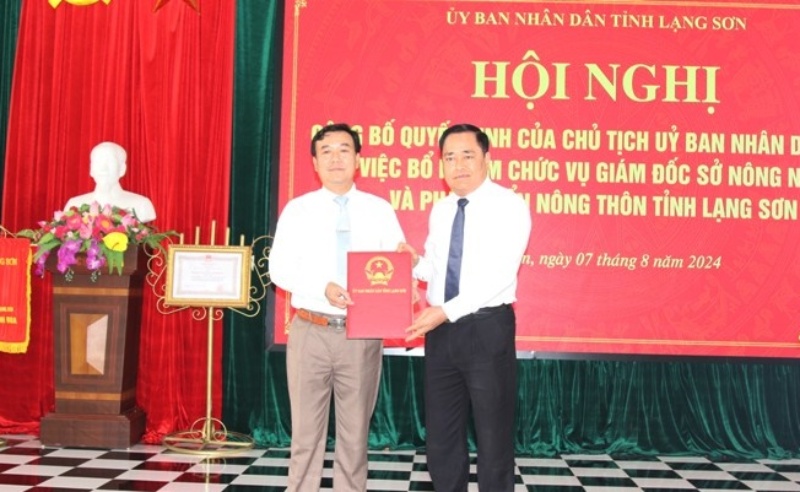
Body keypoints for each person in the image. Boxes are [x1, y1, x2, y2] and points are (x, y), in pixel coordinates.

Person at [269, 123, 406, 492]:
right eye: (326, 151)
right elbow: (279, 269)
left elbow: (397, 262)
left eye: (344, 149)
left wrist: (406, 268)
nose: (335, 158)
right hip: (310, 329)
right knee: (305, 436)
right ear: (314, 162)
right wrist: (322, 288)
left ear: (357, 158)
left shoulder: (379, 210)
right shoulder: (298, 210)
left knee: (355, 437)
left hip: (361, 334)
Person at [401, 123, 531, 491]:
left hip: (486, 329)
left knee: (493, 436)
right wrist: (411, 264)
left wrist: (444, 311)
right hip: (442, 334)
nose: (458, 165)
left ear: (487, 159)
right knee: (442, 434)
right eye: (449, 157)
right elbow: (435, 266)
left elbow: (499, 275)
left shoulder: (509, 205)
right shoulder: (441, 210)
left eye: (467, 155)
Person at [64, 141, 156, 222]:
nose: (103, 168)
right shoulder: (74, 205)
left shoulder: (141, 204)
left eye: (110, 162)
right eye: (98, 162)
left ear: (122, 169)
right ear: (91, 169)